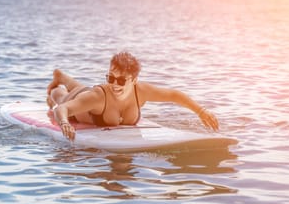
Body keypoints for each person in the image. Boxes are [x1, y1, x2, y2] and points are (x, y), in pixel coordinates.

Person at [47, 52, 219, 141]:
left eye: (121, 80)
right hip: (83, 101)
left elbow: (173, 95)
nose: (115, 84)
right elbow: (63, 109)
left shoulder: (141, 91)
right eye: (111, 78)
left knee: (79, 88)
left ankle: (63, 77)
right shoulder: (99, 96)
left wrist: (201, 111)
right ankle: (58, 82)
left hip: (86, 94)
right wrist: (64, 123)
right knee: (61, 97)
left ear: (134, 80)